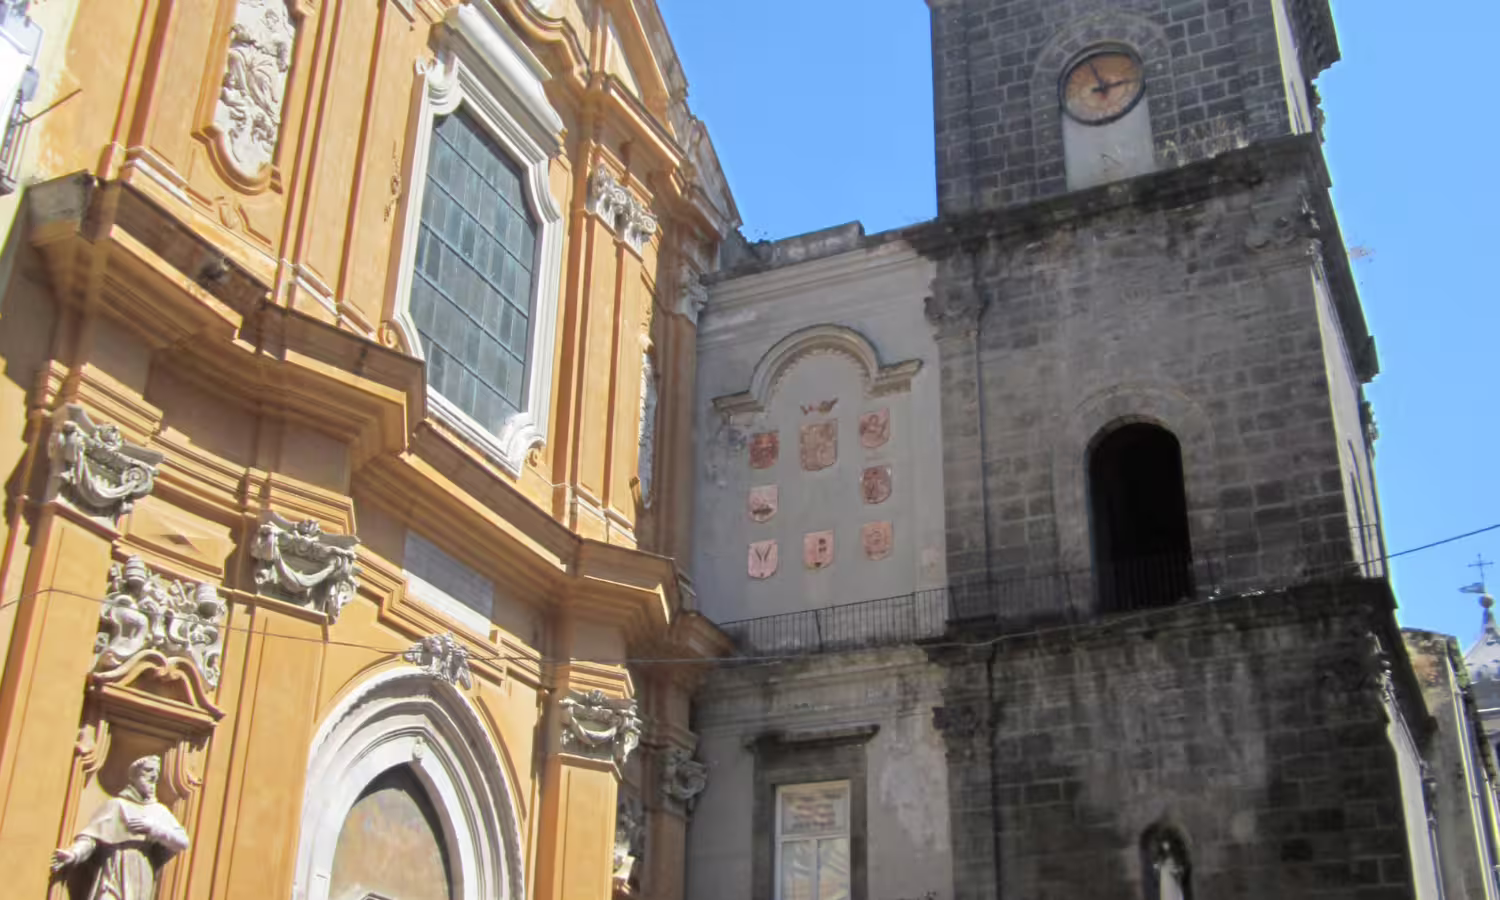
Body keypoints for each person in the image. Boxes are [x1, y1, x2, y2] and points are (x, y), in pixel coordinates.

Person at [51, 754, 190, 900]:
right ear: (134, 777)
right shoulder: (117, 805)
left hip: (141, 872)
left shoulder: (158, 811)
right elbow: (91, 838)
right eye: (148, 771)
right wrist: (74, 854)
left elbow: (182, 842)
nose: (153, 777)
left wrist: (153, 829)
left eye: (156, 773)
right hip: (114, 868)